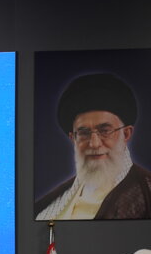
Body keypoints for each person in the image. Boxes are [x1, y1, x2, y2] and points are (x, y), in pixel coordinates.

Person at [36, 73, 151, 220]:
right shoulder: (50, 204)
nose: (94, 143)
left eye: (105, 131)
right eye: (84, 133)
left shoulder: (147, 193)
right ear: (73, 139)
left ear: (126, 134)